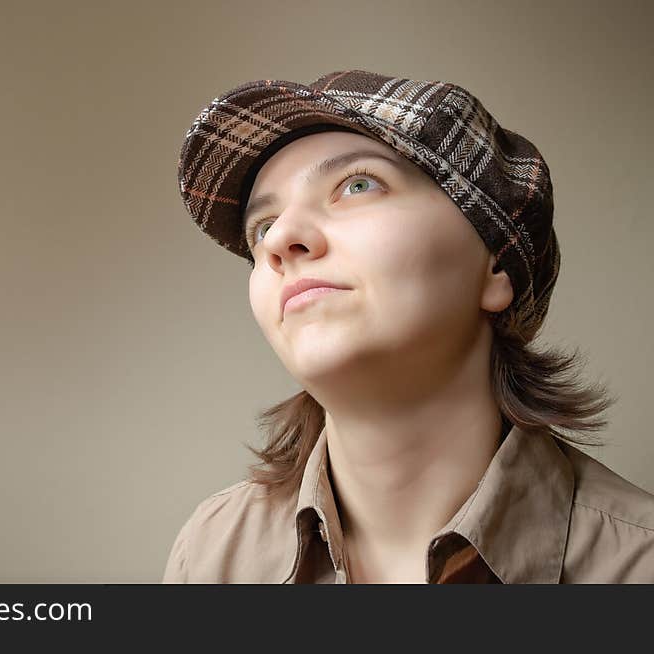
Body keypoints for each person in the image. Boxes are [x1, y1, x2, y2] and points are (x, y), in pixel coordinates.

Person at [163, 69, 654, 583]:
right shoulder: (210, 553)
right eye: (261, 227)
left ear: (495, 265)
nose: (280, 238)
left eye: (356, 185)